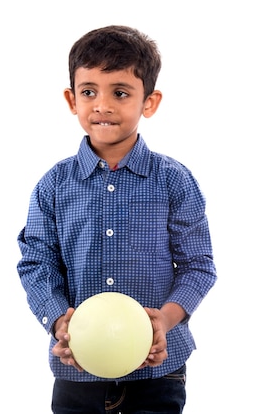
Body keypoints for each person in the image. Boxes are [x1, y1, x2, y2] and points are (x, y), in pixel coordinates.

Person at [16, 25, 217, 414]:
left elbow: (198, 267)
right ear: (71, 99)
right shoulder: (53, 185)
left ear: (150, 102)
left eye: (120, 93)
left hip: (159, 373)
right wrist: (60, 322)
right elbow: (37, 264)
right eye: (89, 92)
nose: (102, 105)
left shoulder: (174, 180)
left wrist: (166, 321)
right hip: (78, 375)